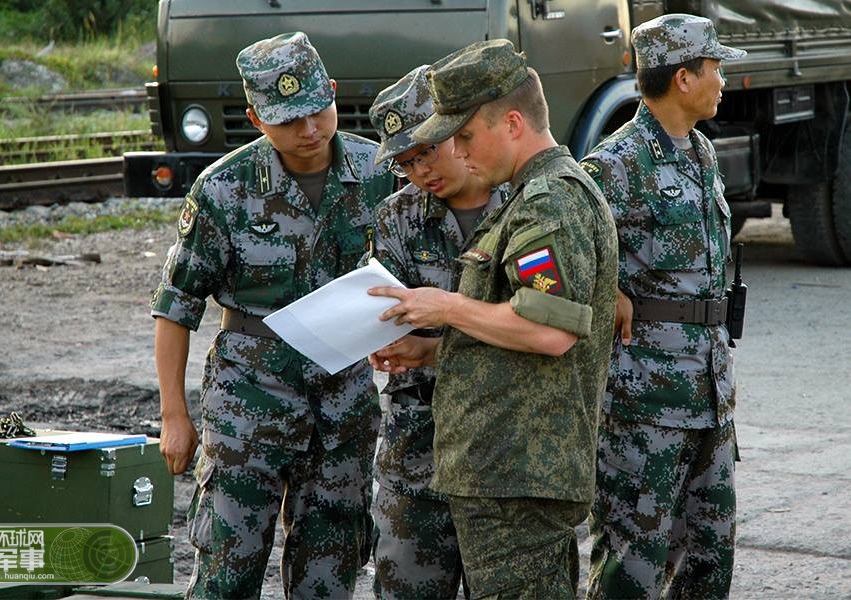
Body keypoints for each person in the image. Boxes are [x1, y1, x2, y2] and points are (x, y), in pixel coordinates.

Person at [368, 40, 618, 598]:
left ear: (510, 123)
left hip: (517, 474)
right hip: (505, 470)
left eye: (463, 136)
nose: (457, 151)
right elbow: (518, 335)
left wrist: (445, 305)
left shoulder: (547, 202)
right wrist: (434, 350)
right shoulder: (532, 196)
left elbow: (551, 332)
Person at [150, 31, 394, 599]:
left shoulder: (379, 171)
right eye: (289, 120)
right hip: (248, 405)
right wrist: (173, 415)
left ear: (332, 93)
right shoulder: (224, 189)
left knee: (330, 570)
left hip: (343, 404)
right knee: (227, 570)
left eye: (317, 110)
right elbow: (175, 308)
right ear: (257, 117)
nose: (309, 131)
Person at [579, 14, 745, 599]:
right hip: (642, 403)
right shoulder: (614, 164)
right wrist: (607, 289)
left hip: (708, 393)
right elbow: (551, 261)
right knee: (633, 565)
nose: (722, 79)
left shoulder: (701, 151)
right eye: (715, 67)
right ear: (682, 78)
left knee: (709, 558)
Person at [365, 65, 506, 599]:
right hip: (416, 444)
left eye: (429, 150)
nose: (421, 170)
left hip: (505, 441)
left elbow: (535, 328)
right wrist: (388, 347)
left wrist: (433, 348)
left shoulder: (522, 201)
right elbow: (390, 313)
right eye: (406, 163)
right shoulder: (395, 217)